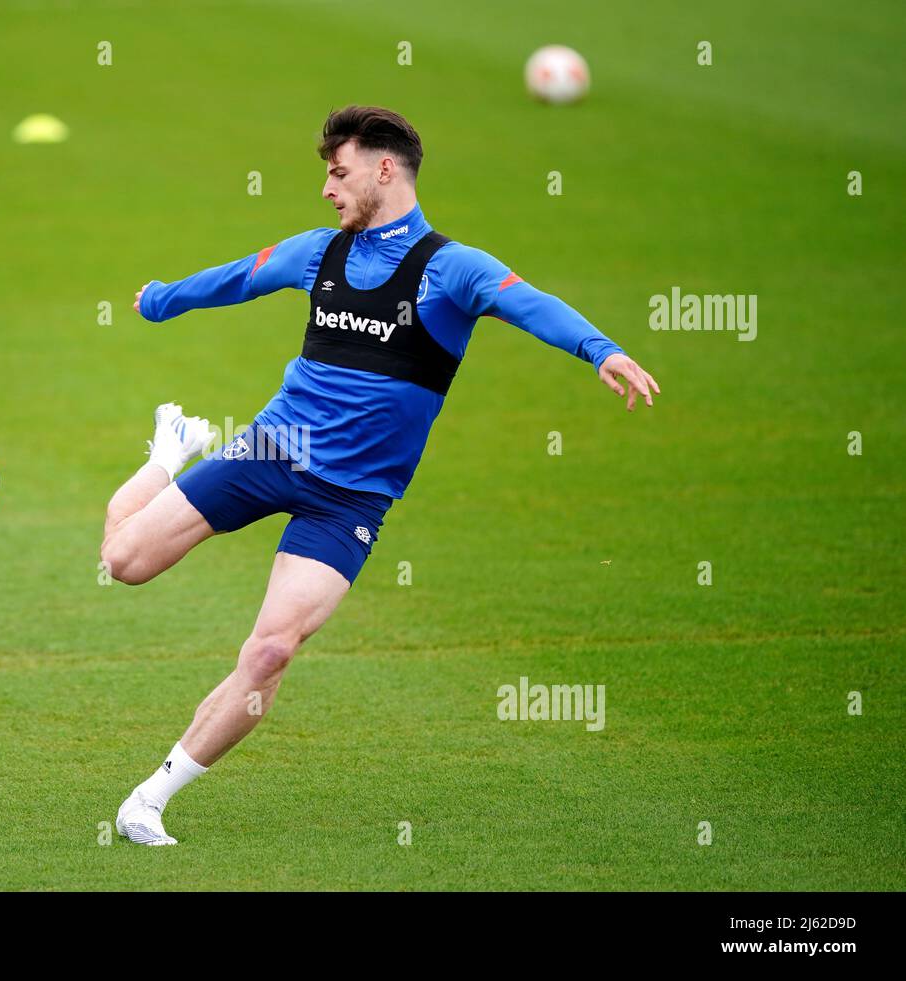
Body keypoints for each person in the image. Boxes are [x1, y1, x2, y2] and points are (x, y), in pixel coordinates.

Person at [102, 105, 660, 845]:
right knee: (123, 562)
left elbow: (530, 305)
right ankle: (167, 454)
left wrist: (602, 350)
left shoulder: (451, 270)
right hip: (271, 448)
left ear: (384, 169)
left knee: (271, 651)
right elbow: (239, 278)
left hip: (350, 499)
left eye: (339, 173)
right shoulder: (318, 254)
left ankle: (148, 799)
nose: (329, 190)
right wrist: (161, 299)